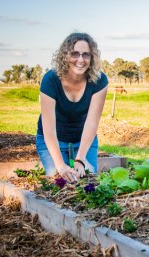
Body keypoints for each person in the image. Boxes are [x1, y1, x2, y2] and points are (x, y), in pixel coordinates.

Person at [36, 32, 108, 182]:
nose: (80, 60)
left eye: (86, 55)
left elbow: (92, 123)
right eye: (75, 54)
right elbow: (49, 129)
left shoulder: (99, 80)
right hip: (53, 139)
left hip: (83, 140)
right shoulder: (51, 80)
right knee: (59, 184)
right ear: (65, 56)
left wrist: (80, 159)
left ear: (92, 58)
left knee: (88, 182)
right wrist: (60, 166)